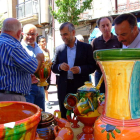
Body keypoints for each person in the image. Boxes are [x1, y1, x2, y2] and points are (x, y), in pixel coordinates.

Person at [51, 22, 96, 119]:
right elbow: (53, 67)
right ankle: (65, 133)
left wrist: (80, 69)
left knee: (80, 115)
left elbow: (92, 66)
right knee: (64, 115)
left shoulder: (86, 47)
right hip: (64, 87)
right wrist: (60, 67)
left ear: (73, 32)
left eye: (65, 34)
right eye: (61, 35)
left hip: (80, 88)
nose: (63, 37)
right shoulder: (59, 49)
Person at [0, 18, 44, 101]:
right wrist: (39, 58)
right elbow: (33, 67)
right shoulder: (13, 45)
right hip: (11, 98)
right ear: (20, 33)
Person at [91, 16, 122, 93]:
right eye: (103, 26)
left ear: (111, 25)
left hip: (115, 74)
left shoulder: (118, 40)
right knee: (100, 97)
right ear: (99, 28)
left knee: (114, 95)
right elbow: (92, 58)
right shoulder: (95, 42)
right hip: (100, 74)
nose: (106, 28)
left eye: (108, 25)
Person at [21, 24, 45, 111]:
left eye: (33, 34)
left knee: (42, 115)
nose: (30, 36)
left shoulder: (38, 46)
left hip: (40, 86)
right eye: (28, 34)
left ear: (36, 35)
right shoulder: (20, 48)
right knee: (29, 114)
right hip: (28, 87)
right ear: (22, 33)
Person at [38, 36, 52, 109]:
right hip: (40, 72)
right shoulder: (38, 50)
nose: (44, 43)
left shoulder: (47, 51)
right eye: (42, 41)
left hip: (47, 71)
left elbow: (49, 60)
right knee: (43, 87)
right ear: (39, 43)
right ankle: (46, 101)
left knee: (46, 87)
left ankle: (46, 100)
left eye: (45, 41)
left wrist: (50, 63)